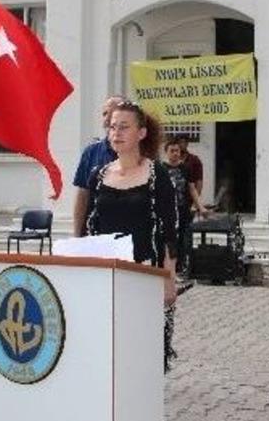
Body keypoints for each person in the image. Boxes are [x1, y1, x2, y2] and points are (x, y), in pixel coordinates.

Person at [85, 100, 180, 370]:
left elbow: (169, 231)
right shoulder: (99, 175)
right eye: (113, 127)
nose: (116, 133)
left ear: (141, 133)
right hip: (105, 275)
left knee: (141, 350)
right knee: (107, 347)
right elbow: (91, 228)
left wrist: (168, 279)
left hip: (143, 273)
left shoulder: (156, 175)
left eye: (124, 127)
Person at [72, 95, 124, 237]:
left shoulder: (140, 153)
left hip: (127, 236)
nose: (107, 119)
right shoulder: (91, 152)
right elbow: (82, 196)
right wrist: (77, 235)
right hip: (95, 234)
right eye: (104, 113)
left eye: (112, 113)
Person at [161, 136, 207, 275]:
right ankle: (164, 268)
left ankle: (179, 269)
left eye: (177, 151)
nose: (175, 153)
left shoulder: (185, 168)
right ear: (166, 152)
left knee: (182, 240)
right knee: (167, 240)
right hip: (165, 211)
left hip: (182, 209)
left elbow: (192, 188)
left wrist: (199, 206)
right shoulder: (160, 168)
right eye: (172, 151)